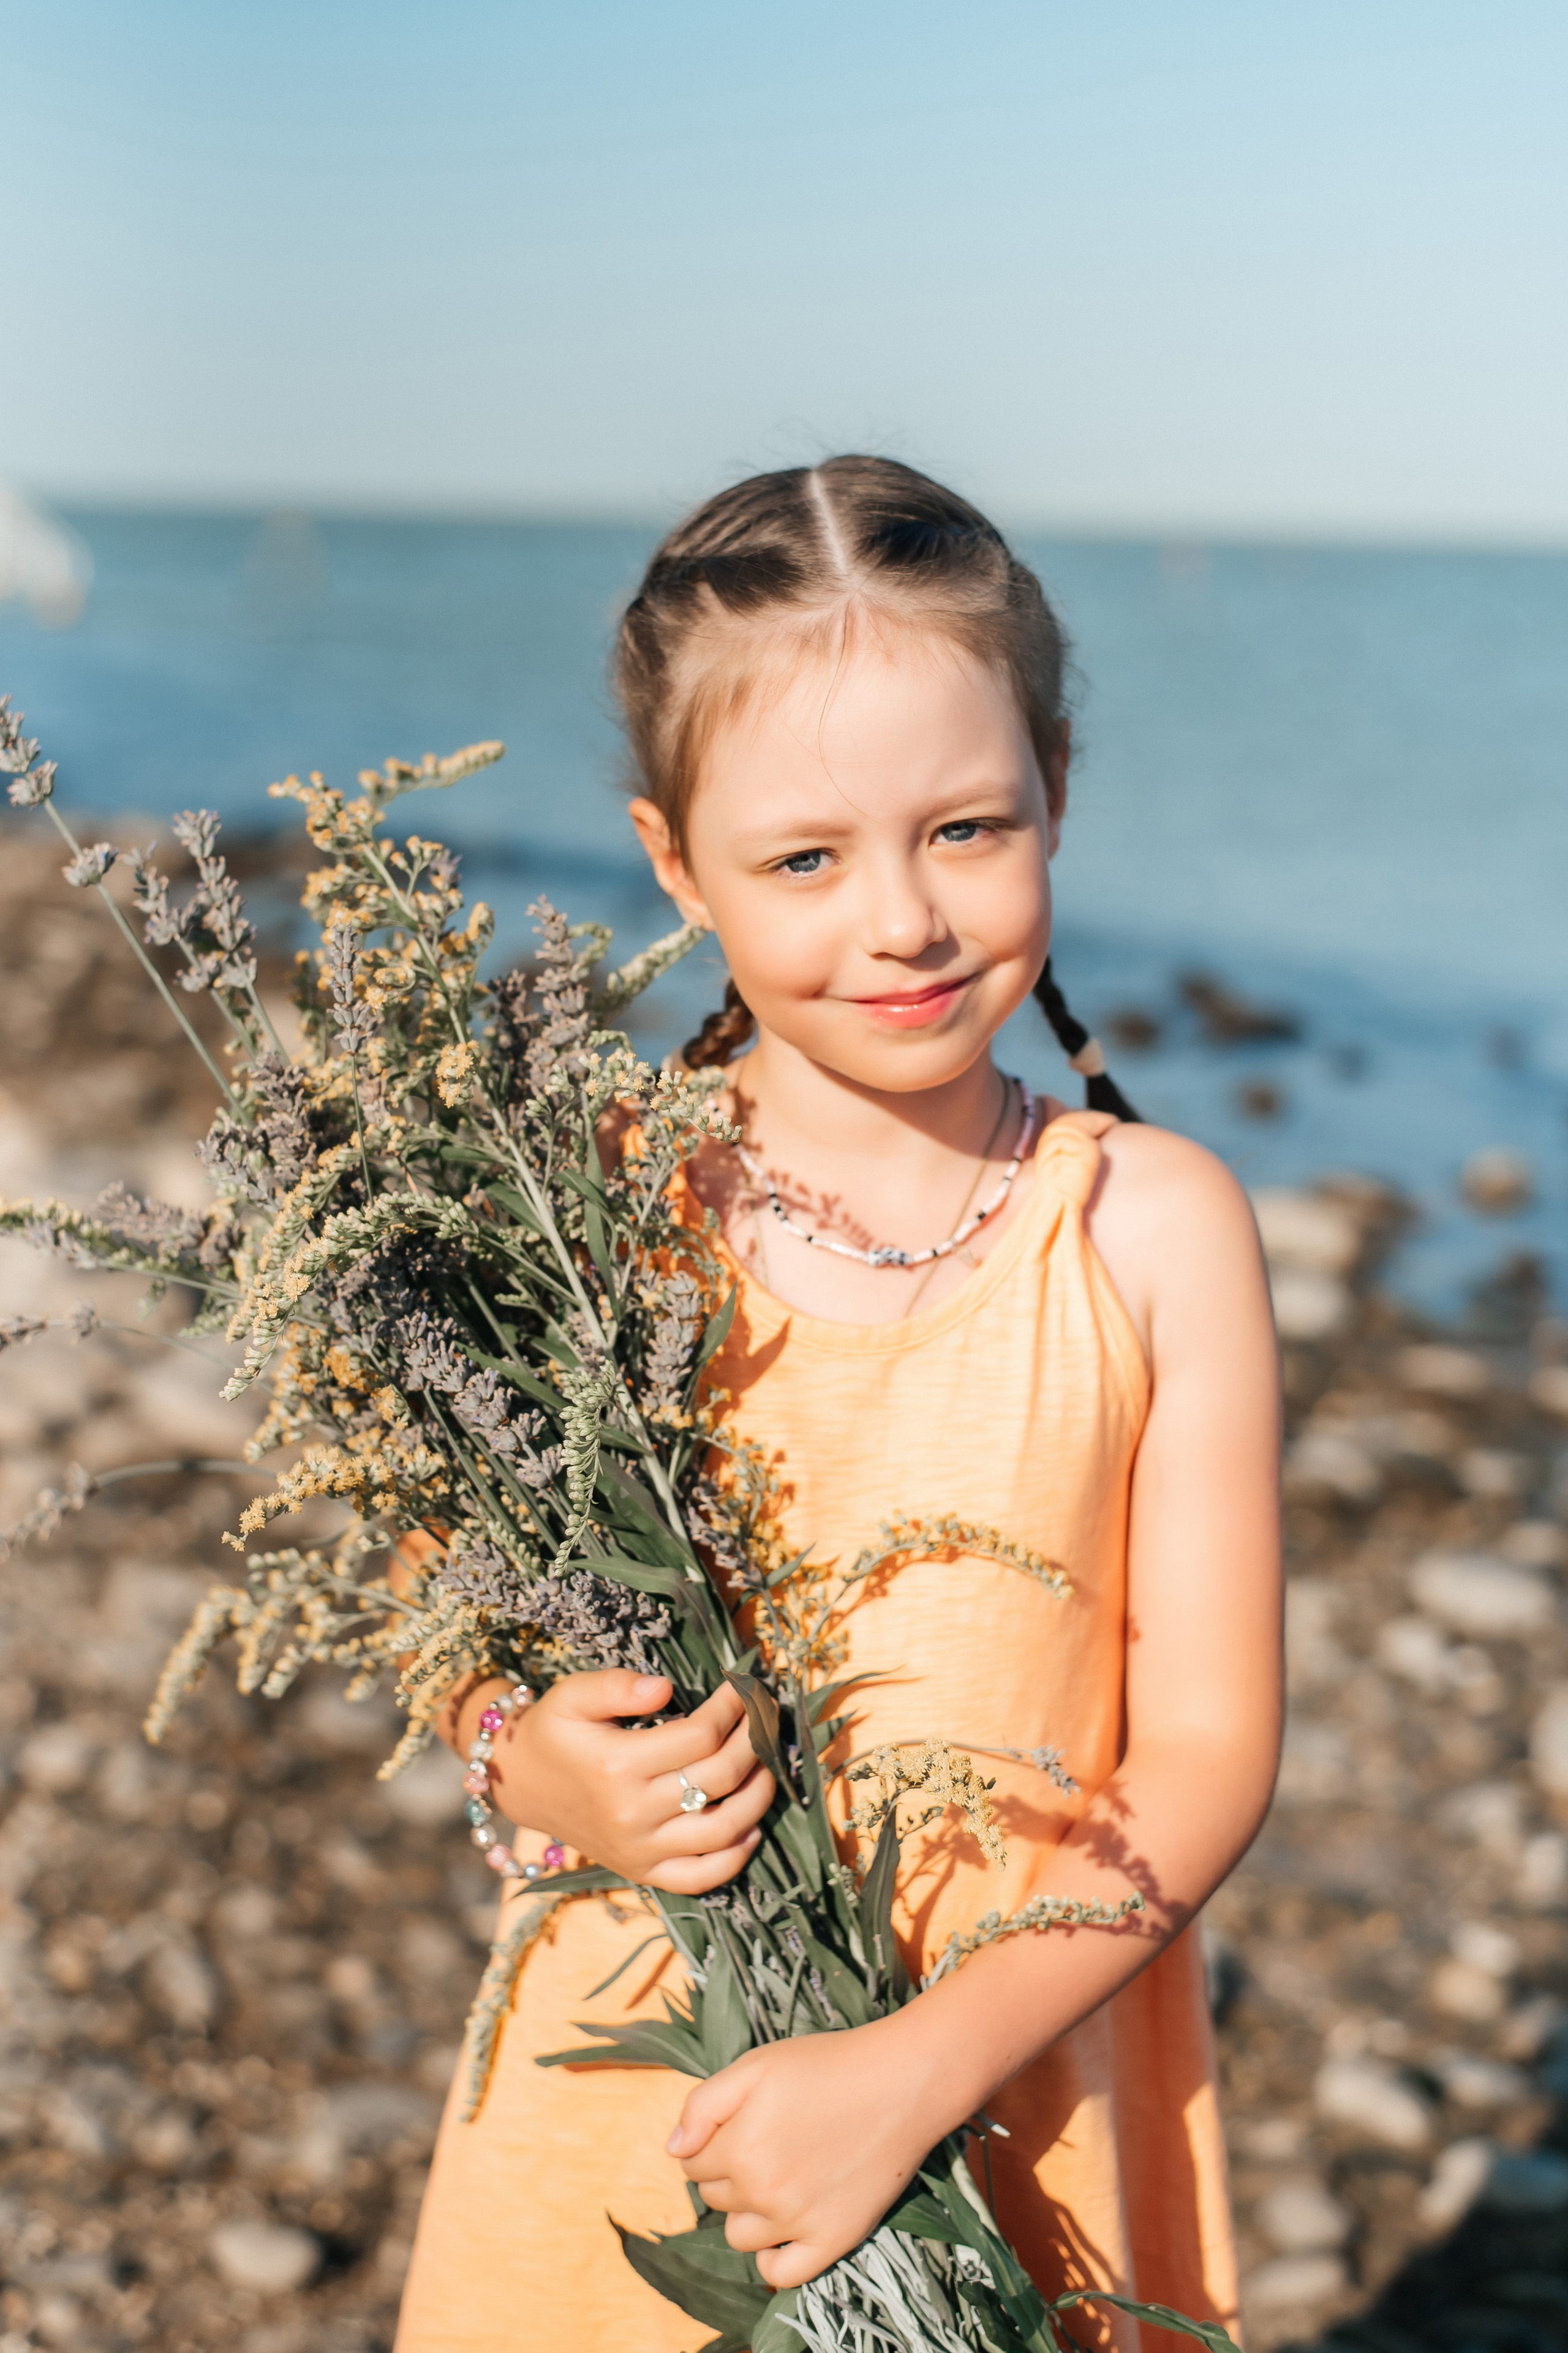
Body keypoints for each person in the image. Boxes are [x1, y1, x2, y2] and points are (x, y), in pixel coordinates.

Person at [395, 456, 1282, 2351]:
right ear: (670, 859)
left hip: (1012, 2074)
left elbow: (1206, 1750)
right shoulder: (591, 1209)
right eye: (804, 858)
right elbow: (444, 1595)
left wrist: (908, 2072)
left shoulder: (1152, 1227)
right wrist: (520, 1754)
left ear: (1058, 780)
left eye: (967, 826)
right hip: (646, 2095)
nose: (904, 921)